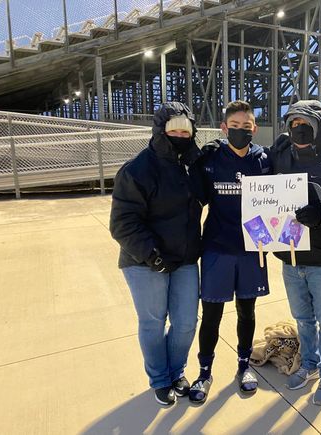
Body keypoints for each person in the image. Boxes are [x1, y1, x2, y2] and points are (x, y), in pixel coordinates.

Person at [109, 102, 204, 406]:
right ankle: (161, 379)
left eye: (186, 131)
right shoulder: (137, 169)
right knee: (153, 322)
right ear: (160, 130)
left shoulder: (192, 166)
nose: (180, 135)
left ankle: (176, 371)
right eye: (174, 129)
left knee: (186, 322)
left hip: (185, 259)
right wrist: (152, 255)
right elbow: (122, 223)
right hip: (146, 262)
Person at [269, 100, 321, 406]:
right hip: (291, 258)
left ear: (318, 127)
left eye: (306, 124)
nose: (299, 129)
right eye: (293, 124)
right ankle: (309, 363)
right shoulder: (282, 156)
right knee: (303, 318)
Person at [188, 100, 272, 404]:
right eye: (234, 126)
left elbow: (281, 200)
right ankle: (204, 372)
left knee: (246, 311)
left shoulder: (264, 160)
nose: (240, 131)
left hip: (252, 249)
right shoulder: (211, 158)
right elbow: (194, 199)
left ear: (254, 128)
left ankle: (244, 366)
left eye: (246, 126)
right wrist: (195, 159)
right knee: (211, 315)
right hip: (217, 248)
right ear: (224, 128)